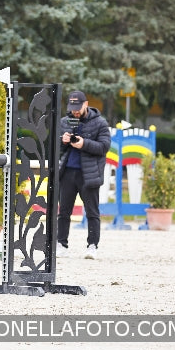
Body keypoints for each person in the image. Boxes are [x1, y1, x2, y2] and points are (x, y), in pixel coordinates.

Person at [56, 90, 111, 260]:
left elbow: (104, 147)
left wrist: (84, 144)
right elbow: (55, 148)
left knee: (92, 212)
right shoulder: (64, 122)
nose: (75, 111)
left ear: (86, 104)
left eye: (78, 108)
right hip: (67, 172)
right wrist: (62, 141)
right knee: (63, 212)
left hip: (89, 174)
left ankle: (92, 246)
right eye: (72, 108)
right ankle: (61, 244)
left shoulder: (100, 123)